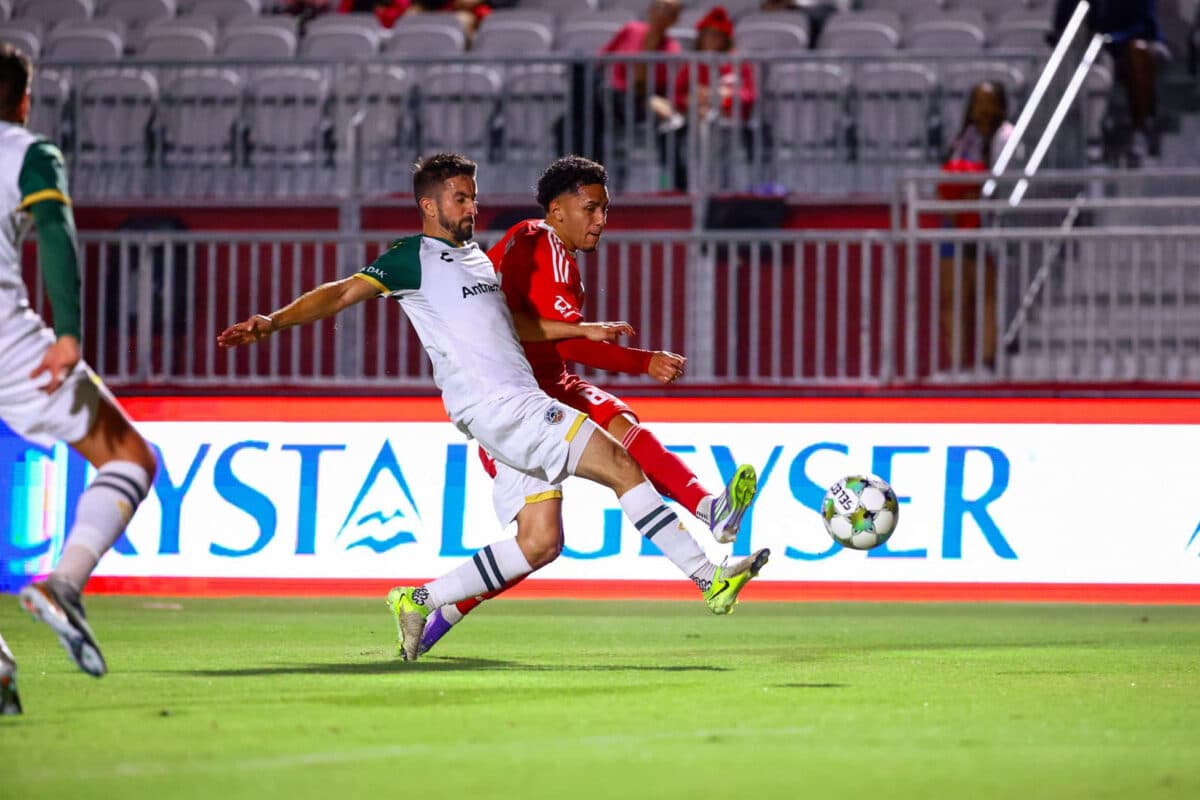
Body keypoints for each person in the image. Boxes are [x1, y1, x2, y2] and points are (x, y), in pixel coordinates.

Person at [217, 152, 770, 662]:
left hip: (511, 406)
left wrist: (584, 331)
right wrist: (271, 322)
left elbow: (516, 327)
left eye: (474, 197)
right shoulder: (413, 258)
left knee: (540, 543)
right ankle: (708, 576)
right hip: (502, 405)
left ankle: (418, 599)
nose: (471, 208)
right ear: (428, 205)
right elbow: (340, 293)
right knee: (621, 463)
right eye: (460, 198)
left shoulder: (478, 259)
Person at [416, 155, 759, 656]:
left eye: (605, 210)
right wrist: (643, 362)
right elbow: (569, 339)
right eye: (591, 209)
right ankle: (443, 607)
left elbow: (534, 328)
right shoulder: (542, 246)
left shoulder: (541, 245)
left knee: (607, 445)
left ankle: (711, 514)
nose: (601, 220)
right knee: (539, 542)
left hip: (548, 386)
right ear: (558, 210)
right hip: (515, 405)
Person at [0, 44, 159, 695]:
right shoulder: (27, 152)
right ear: (23, 100)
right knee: (129, 456)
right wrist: (67, 333)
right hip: (9, 344)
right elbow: (57, 233)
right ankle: (63, 585)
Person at [936, 81, 1013, 374]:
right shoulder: (961, 140)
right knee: (952, 297)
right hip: (954, 225)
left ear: (1001, 106)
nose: (984, 109)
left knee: (986, 295)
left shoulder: (1007, 138)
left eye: (989, 101)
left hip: (986, 225)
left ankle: (988, 360)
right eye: (978, 102)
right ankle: (956, 363)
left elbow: (1002, 182)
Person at [1053, 0, 1166, 163]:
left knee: (1138, 51)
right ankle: (1083, 135)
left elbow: (1146, 26)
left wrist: (1112, 39)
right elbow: (1062, 21)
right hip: (1095, 49)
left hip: (1136, 44)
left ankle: (1140, 129)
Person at [669, 6, 758, 191]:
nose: (712, 40)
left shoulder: (738, 63)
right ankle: (698, 191)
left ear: (725, 38)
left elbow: (749, 95)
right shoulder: (692, 65)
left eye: (717, 35)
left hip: (731, 124)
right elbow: (677, 96)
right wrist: (693, 100)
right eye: (708, 35)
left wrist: (722, 96)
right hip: (697, 123)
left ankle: (724, 192)